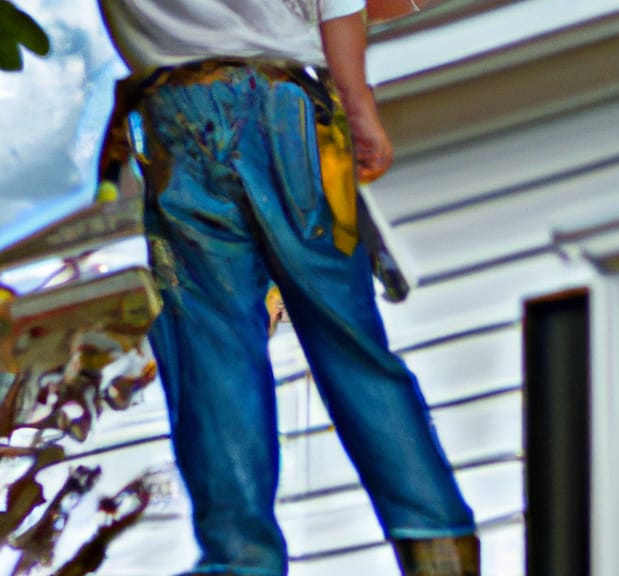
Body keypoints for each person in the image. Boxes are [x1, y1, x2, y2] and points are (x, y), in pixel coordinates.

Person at [94, 2, 479, 575]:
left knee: (212, 349)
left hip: (172, 116)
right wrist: (360, 107)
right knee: (347, 336)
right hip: (287, 107)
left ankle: (240, 557)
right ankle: (437, 542)